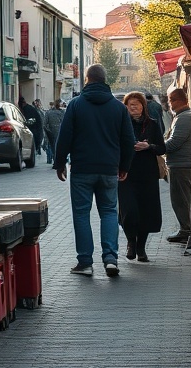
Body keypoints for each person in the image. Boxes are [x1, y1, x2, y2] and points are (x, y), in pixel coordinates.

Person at [55, 63, 135, 277]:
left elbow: (65, 137)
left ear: (88, 80)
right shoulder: (118, 108)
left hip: (82, 169)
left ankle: (85, 263)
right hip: (109, 169)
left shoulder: (75, 105)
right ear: (105, 79)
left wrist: (60, 163)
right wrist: (124, 166)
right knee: (109, 212)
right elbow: (128, 140)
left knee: (81, 214)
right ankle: (110, 258)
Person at [119, 92, 165, 262]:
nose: (134, 108)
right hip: (127, 173)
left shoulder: (151, 124)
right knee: (129, 211)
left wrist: (148, 146)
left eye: (137, 104)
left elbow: (161, 148)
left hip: (147, 174)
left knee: (146, 211)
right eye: (130, 105)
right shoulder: (122, 124)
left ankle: (141, 248)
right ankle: (131, 241)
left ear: (143, 106)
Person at [163, 87, 191, 247]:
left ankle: (186, 230)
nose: (169, 104)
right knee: (180, 199)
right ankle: (185, 229)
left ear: (175, 100)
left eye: (170, 100)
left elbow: (175, 142)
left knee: (181, 199)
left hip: (182, 165)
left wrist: (157, 147)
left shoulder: (184, 118)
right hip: (181, 164)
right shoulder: (182, 116)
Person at [44, 100, 66, 168]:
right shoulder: (63, 112)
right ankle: (58, 162)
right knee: (60, 147)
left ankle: (55, 161)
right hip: (61, 132)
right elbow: (66, 123)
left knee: (53, 147)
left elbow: (44, 124)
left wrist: (48, 131)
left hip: (52, 132)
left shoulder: (48, 112)